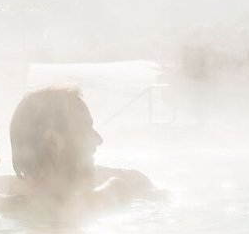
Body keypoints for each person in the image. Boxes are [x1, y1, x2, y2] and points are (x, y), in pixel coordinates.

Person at [8, 85, 153, 209]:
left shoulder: (134, 183)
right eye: (86, 128)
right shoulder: (118, 188)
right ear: (53, 140)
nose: (98, 140)